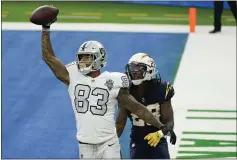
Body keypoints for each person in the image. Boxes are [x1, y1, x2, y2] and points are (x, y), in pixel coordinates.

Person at [38, 16, 176, 159]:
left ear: (99, 58)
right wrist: (45, 29)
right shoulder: (72, 76)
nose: (82, 61)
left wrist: (160, 126)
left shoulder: (113, 80)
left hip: (108, 144)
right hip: (84, 143)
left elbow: (137, 108)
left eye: (87, 57)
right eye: (81, 57)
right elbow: (49, 58)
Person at [116, 53, 176, 159]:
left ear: (149, 70)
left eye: (139, 69)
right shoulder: (126, 91)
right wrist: (111, 141)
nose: (134, 72)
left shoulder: (161, 89)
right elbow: (120, 123)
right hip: (137, 140)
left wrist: (160, 133)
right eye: (132, 68)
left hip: (157, 138)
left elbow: (169, 121)